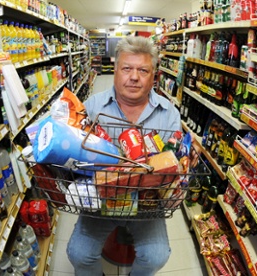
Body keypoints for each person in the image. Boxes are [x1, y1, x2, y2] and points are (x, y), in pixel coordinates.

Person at [66, 36, 183, 276]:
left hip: (148, 202)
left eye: (143, 70)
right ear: (116, 69)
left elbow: (175, 161)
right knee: (78, 253)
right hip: (101, 200)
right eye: (127, 68)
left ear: (154, 75)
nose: (134, 77)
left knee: (156, 256)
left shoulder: (169, 112)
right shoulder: (91, 107)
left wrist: (177, 186)